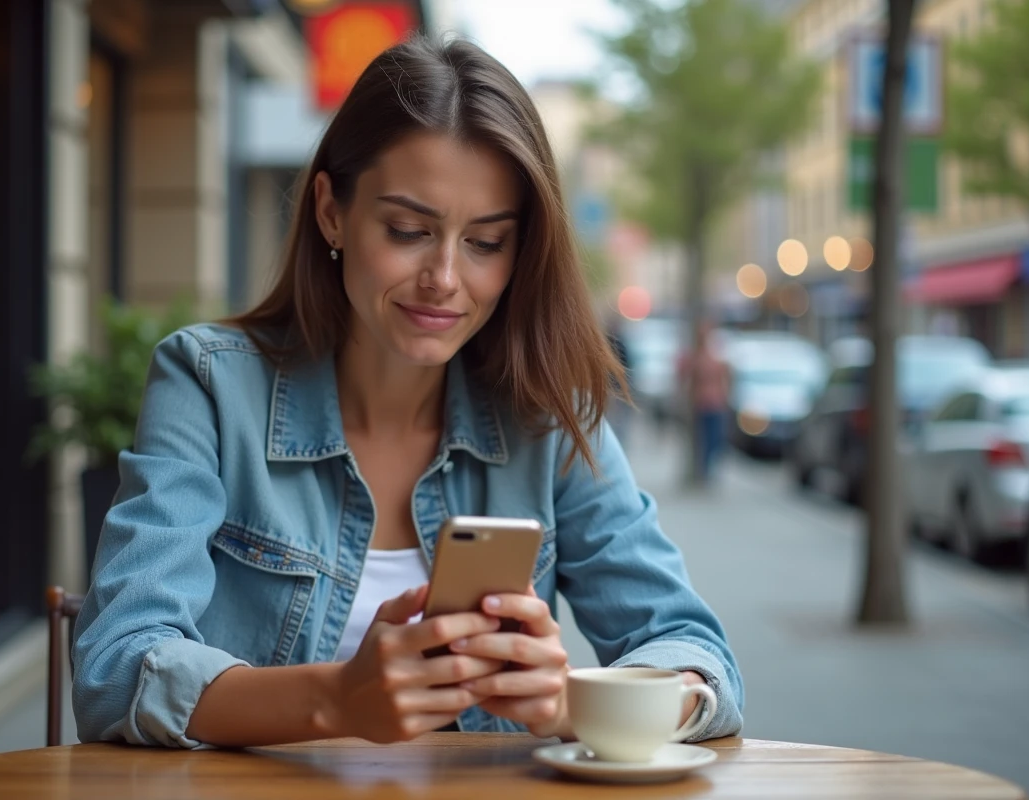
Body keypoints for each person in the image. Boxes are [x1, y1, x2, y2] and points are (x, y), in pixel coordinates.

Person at [72, 36, 743, 750]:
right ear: (331, 210)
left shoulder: (547, 419)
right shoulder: (208, 385)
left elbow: (697, 660)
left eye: (486, 243)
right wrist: (334, 700)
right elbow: (116, 667)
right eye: (408, 230)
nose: (445, 278)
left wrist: (568, 703)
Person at [677, 322, 731, 482]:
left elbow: (724, 378)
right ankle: (704, 471)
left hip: (715, 404)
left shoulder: (715, 355)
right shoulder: (694, 358)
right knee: (703, 440)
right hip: (700, 404)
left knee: (716, 440)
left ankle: (708, 469)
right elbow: (683, 378)